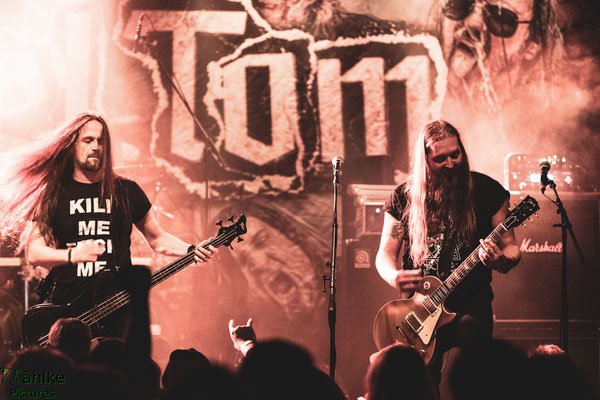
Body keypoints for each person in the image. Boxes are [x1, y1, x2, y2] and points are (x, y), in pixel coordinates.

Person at [0, 111, 217, 335]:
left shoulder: (126, 191)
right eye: (88, 140)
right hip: (69, 309)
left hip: (116, 307)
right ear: (72, 145)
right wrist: (73, 255)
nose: (96, 146)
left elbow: (157, 238)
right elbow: (35, 253)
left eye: (101, 141)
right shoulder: (53, 195)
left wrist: (192, 250)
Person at [375, 119, 521, 383]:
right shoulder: (402, 197)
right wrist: (394, 276)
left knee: (476, 375)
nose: (451, 163)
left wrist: (500, 261)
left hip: (470, 305)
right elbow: (385, 252)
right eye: (440, 158)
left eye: (456, 154)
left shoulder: (487, 191)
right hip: (418, 309)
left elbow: (510, 245)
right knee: (420, 385)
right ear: (425, 160)